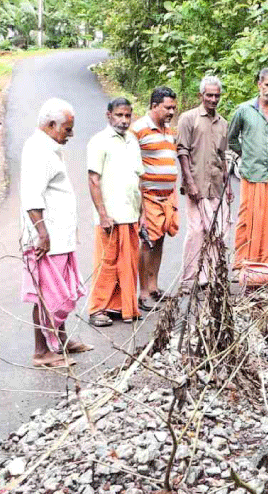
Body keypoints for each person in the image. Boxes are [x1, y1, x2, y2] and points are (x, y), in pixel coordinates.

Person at [20, 98, 93, 368]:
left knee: (60, 291)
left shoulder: (49, 147)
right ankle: (41, 352)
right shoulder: (38, 150)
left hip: (59, 238)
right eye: (67, 129)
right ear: (51, 125)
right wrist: (42, 234)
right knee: (46, 295)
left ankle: (60, 341)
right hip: (47, 239)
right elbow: (32, 196)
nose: (71, 135)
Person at [86, 97, 144, 327]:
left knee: (128, 263)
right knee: (107, 263)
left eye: (127, 116)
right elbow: (93, 179)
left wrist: (142, 211)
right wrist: (102, 214)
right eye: (119, 115)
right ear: (108, 115)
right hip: (109, 216)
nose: (123, 120)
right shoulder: (99, 141)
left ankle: (120, 307)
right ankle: (97, 309)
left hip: (130, 213)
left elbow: (139, 177)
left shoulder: (132, 140)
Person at [227, 68, 268, 270]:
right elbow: (231, 138)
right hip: (252, 172)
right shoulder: (244, 110)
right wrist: (247, 153)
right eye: (267, 85)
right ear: (259, 84)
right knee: (249, 217)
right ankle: (244, 260)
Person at [176, 76, 231, 295]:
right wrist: (189, 182)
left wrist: (228, 188)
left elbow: (223, 157)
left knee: (218, 232)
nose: (213, 99)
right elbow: (182, 151)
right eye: (209, 95)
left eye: (217, 95)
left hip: (216, 184)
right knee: (196, 231)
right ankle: (188, 280)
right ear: (201, 95)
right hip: (196, 185)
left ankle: (210, 277)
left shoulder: (223, 123)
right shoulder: (188, 118)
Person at [130, 87, 179, 309]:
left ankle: (154, 287)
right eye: (167, 108)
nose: (171, 112)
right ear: (154, 106)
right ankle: (143, 293)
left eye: (173, 108)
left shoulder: (169, 130)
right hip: (148, 196)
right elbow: (132, 165)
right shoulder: (139, 129)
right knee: (148, 242)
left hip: (167, 196)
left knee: (159, 240)